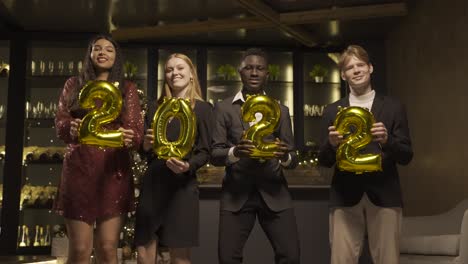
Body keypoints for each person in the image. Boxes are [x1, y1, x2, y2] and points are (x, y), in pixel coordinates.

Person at [318, 45, 413, 264]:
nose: (356, 70)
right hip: (344, 195)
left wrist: (388, 141)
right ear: (343, 75)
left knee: (388, 259)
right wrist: (331, 145)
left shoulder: (393, 107)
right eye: (350, 67)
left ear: (370, 68)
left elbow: (407, 155)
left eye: (360, 65)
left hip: (385, 194)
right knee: (341, 260)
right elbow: (323, 160)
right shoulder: (332, 110)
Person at [54, 34, 143, 264]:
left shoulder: (127, 88)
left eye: (109, 49)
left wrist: (131, 136)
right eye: (97, 48)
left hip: (113, 171)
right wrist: (69, 127)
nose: (102, 52)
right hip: (79, 171)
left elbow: (135, 130)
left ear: (117, 57)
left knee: (107, 248)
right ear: (90, 54)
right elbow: (60, 122)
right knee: (81, 249)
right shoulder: (73, 85)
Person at [211, 48, 300, 264]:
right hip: (236, 195)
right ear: (240, 72)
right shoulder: (224, 108)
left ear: (267, 74)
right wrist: (235, 152)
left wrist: (284, 156)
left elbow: (293, 158)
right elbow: (215, 154)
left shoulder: (281, 109)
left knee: (291, 257)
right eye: (249, 68)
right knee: (227, 258)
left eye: (259, 69)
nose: (254, 73)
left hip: (275, 192)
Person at [134, 53, 212, 264]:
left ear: (191, 74)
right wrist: (146, 145)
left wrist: (188, 165)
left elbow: (205, 151)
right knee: (143, 255)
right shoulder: (154, 107)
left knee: (180, 259)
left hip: (183, 187)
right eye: (169, 70)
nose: (174, 73)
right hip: (153, 184)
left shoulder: (203, 109)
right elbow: (146, 151)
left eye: (180, 68)